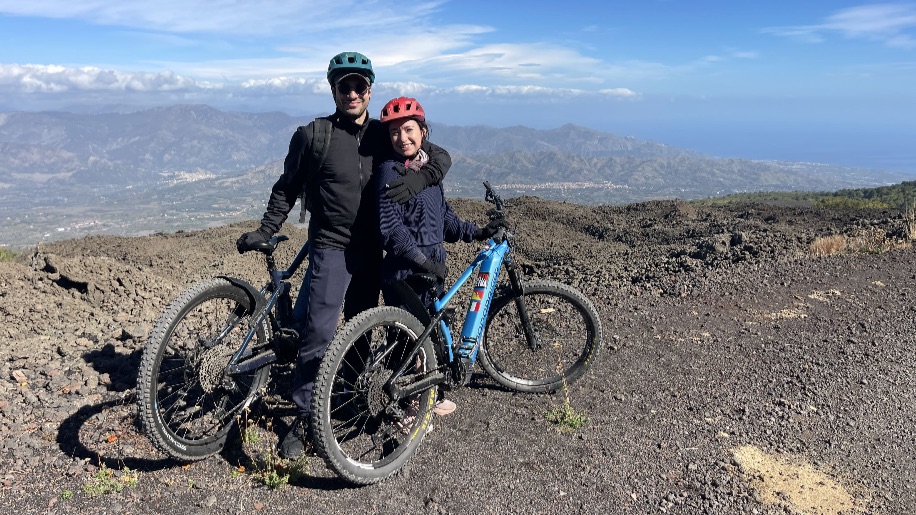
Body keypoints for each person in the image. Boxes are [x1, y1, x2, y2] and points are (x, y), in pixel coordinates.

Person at [236, 53, 453, 459]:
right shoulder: (314, 135)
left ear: (370, 89)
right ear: (332, 89)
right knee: (318, 334)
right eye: (344, 86)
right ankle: (304, 418)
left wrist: (422, 178)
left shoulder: (382, 133)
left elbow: (438, 155)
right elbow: (286, 186)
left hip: (373, 249)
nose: (352, 93)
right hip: (331, 248)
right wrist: (268, 228)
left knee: (360, 326)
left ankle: (350, 397)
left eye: (359, 86)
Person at [375, 97, 503, 417]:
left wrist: (477, 232)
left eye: (408, 130)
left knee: (430, 331)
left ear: (422, 130)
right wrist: (419, 260)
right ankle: (406, 408)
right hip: (405, 269)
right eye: (394, 133)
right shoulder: (388, 172)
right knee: (406, 339)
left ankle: (427, 394)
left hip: (432, 264)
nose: (402, 138)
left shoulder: (429, 173)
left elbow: (444, 218)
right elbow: (389, 229)